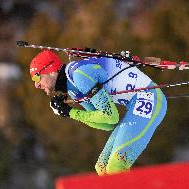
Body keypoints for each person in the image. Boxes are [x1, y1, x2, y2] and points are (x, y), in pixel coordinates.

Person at [29, 50, 167, 175]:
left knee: (116, 165)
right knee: (102, 168)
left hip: (149, 97)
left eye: (36, 77)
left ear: (51, 70)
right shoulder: (72, 87)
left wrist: (71, 112)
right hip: (134, 104)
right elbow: (106, 125)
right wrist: (69, 113)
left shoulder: (79, 76)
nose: (36, 84)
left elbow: (110, 116)